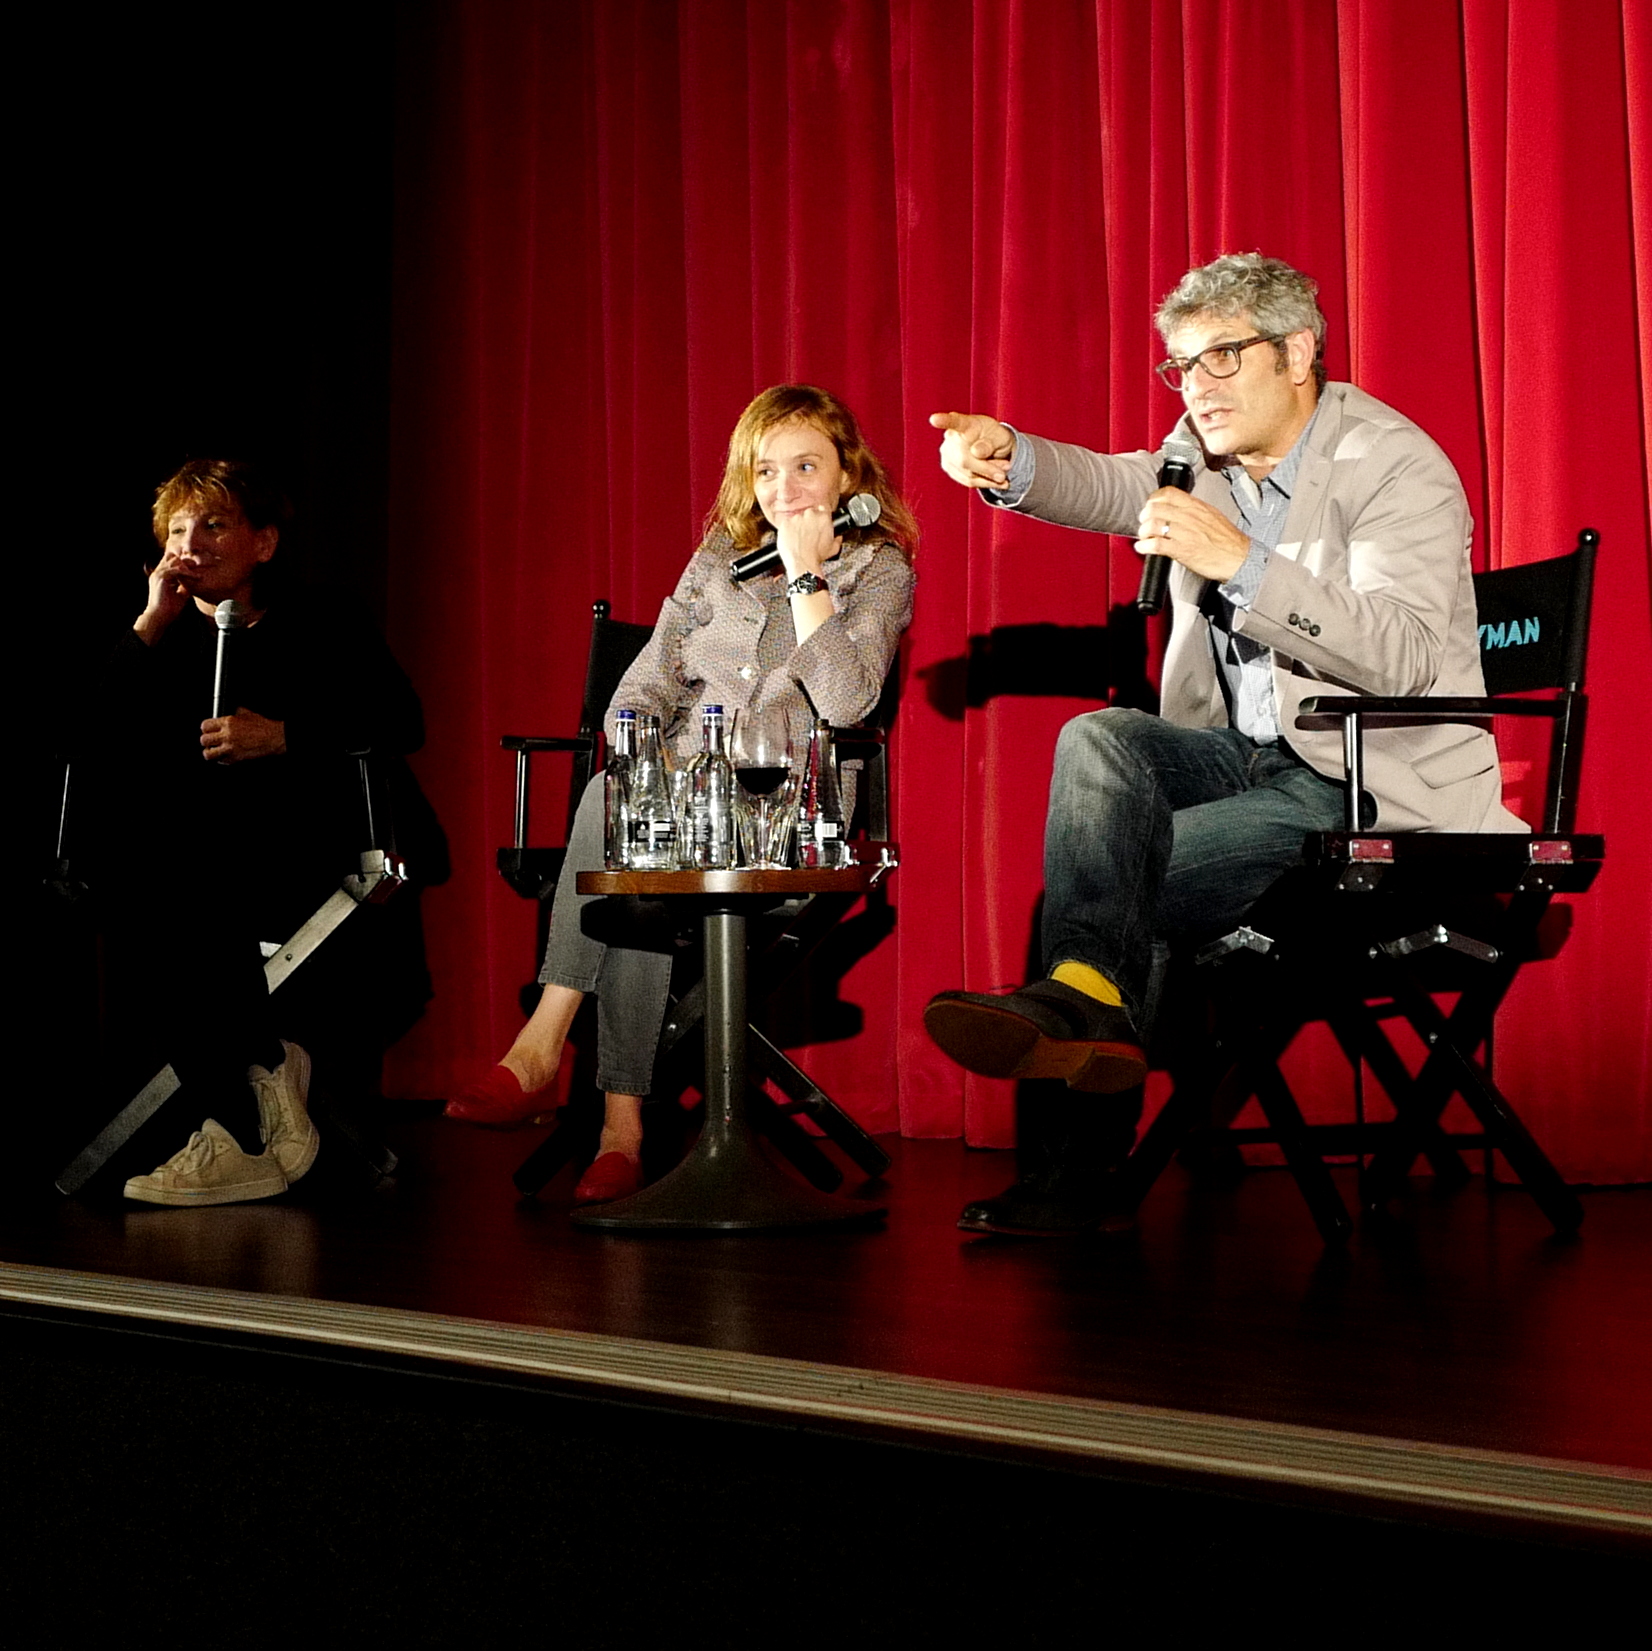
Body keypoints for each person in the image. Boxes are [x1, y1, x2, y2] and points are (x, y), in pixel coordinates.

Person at [923, 252, 1520, 1236]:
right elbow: (1120, 488)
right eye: (1180, 367)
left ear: (1296, 353)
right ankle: (1084, 1005)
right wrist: (1012, 458)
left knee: (1100, 886)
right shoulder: (1202, 453)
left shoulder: (1390, 463)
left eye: (1219, 360)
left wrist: (1239, 563)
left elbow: (1407, 655)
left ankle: (1074, 1162)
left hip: (1362, 779)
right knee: (1099, 737)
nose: (1194, 388)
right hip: (1247, 758)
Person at [444, 385, 917, 1204]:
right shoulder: (714, 564)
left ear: (848, 476)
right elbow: (642, 684)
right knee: (626, 816)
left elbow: (846, 702)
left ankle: (548, 1058)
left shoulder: (881, 571)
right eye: (766, 470)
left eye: (806, 466)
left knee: (635, 849)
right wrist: (642, 742)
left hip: (782, 819)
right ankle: (615, 1130)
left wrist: (808, 577)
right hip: (679, 804)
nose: (784, 489)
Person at [94, 458, 432, 1206]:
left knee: (178, 884)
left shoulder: (325, 618)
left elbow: (403, 721)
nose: (193, 542)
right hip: (201, 869)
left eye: (214, 524)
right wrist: (149, 624)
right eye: (178, 529)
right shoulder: (169, 641)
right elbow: (89, 736)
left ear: (264, 544)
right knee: (160, 882)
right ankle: (258, 1093)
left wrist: (282, 735)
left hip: (318, 854)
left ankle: (233, 1132)